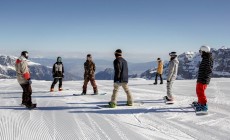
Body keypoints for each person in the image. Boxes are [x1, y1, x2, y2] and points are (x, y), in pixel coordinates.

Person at [192, 45, 213, 113]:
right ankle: (200, 103)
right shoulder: (206, 58)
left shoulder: (208, 59)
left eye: (201, 51)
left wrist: (204, 78)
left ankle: (204, 105)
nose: (200, 53)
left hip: (203, 79)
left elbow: (209, 70)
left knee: (200, 91)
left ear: (204, 51)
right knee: (198, 91)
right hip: (201, 78)